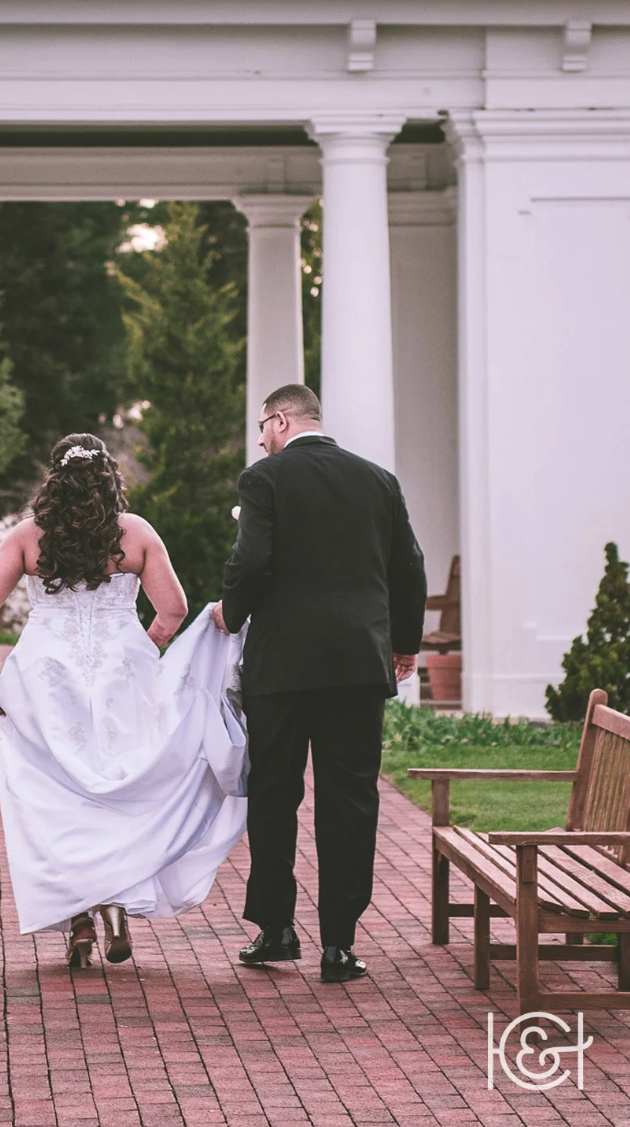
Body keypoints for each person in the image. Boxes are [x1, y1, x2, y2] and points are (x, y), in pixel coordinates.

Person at [0, 432, 248, 970]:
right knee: (117, 785)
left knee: (53, 796)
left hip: (46, 675)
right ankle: (115, 903)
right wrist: (139, 655)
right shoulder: (136, 533)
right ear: (108, 478)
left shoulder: (29, 537)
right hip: (121, 672)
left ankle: (77, 920)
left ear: (55, 479)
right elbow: (173, 609)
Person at [212, 383, 426, 985]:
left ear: (281, 420)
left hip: (282, 667)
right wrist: (403, 643)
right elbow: (409, 566)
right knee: (350, 800)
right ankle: (340, 945)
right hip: (358, 665)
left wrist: (231, 611)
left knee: (276, 795)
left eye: (262, 427)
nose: (260, 440)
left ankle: (276, 930)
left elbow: (251, 562)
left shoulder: (265, 480)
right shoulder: (378, 480)